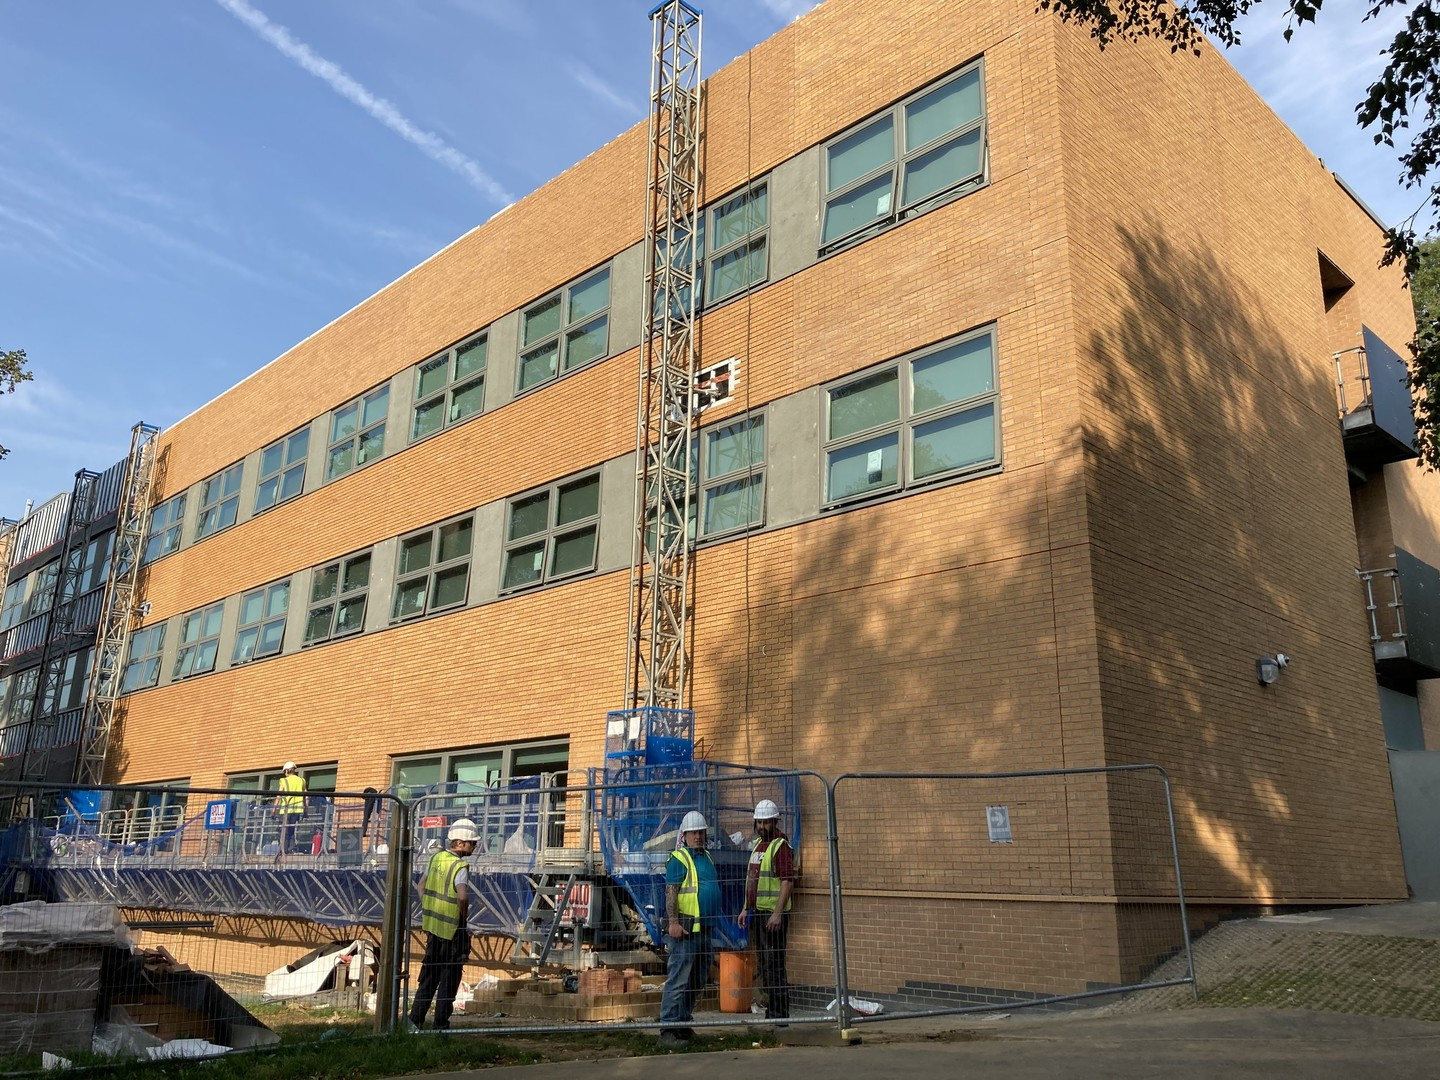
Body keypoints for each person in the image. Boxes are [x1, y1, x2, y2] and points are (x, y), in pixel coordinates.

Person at [659, 810, 722, 1047]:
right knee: (678, 979)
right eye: (694, 832)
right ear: (684, 835)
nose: (698, 836)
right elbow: (671, 892)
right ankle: (667, 1029)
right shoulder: (679, 858)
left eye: (701, 832)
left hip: (705, 930)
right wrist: (673, 923)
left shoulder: (706, 857)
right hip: (685, 931)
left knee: (696, 980)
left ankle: (682, 1023)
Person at [409, 818, 478, 1031]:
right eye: (472, 843)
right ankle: (440, 1026)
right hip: (452, 932)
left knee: (429, 978)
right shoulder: (460, 865)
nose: (474, 847)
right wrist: (463, 920)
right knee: (449, 981)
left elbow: (421, 886)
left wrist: (429, 906)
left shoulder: (436, 858)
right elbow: (463, 896)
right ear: (461, 843)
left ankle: (414, 1023)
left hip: (433, 929)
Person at [739, 798, 795, 1021]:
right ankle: (772, 1012)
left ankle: (780, 1016)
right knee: (764, 965)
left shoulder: (780, 846)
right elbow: (752, 880)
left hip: (773, 916)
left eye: (766, 822)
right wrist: (745, 908)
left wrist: (777, 913)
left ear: (775, 821)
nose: (762, 826)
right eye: (759, 822)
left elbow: (787, 882)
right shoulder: (757, 845)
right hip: (758, 913)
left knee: (775, 965)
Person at [276, 762, 306, 857]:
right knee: (292, 830)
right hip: (297, 810)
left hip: (285, 810)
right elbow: (306, 796)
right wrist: (306, 809)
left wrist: (274, 809)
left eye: (285, 771)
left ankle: (283, 850)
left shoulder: (284, 781)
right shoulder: (302, 780)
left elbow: (279, 795)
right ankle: (291, 849)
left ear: (287, 770)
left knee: (283, 830)